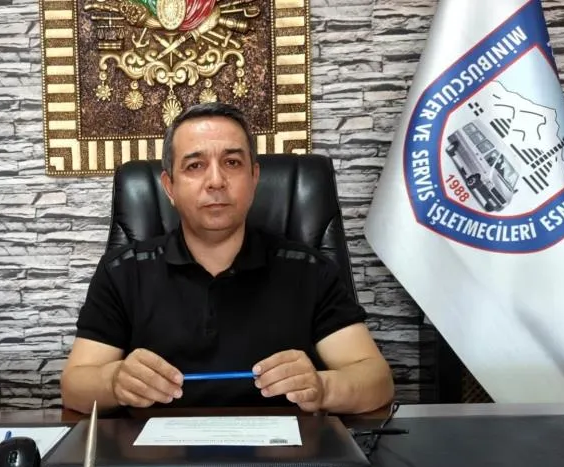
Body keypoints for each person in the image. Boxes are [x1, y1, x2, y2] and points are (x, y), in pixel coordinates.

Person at [60, 102, 393, 414]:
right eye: (195, 166)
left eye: (232, 163)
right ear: (169, 187)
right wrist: (114, 382)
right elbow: (74, 385)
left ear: (254, 177)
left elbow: (376, 380)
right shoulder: (123, 272)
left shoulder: (310, 271)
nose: (216, 181)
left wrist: (323, 387)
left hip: (283, 453)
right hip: (157, 453)